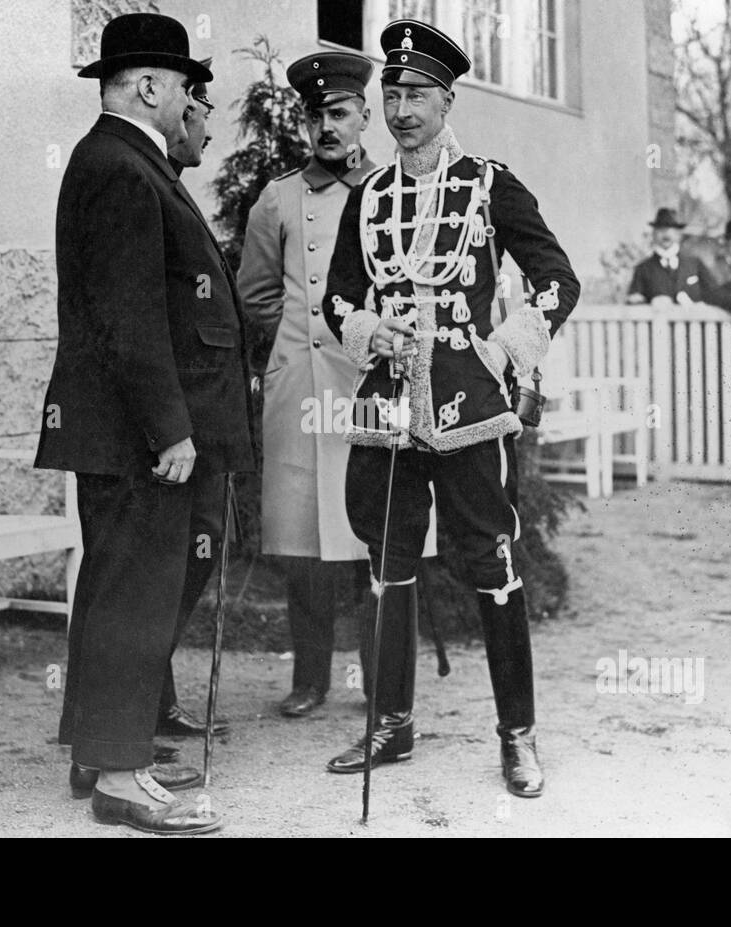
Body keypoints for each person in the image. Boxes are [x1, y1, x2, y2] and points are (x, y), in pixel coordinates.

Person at [321, 19, 580, 798]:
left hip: (468, 401)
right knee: (384, 558)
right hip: (388, 403)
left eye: (417, 95)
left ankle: (518, 736)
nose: (401, 109)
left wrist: (501, 352)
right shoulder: (366, 196)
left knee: (490, 559)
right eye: (391, 94)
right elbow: (336, 295)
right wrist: (368, 327)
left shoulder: (489, 183)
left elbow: (556, 279)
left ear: (448, 99)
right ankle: (393, 723)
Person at [34, 13, 253, 835]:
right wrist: (170, 429)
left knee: (118, 585)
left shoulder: (122, 162)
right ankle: (122, 777)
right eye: (185, 86)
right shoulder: (124, 169)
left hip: (121, 429)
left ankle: (100, 748)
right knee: (134, 592)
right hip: (135, 434)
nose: (191, 100)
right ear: (150, 86)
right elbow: (129, 318)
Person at [239, 51, 429, 718]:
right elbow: (257, 294)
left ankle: (382, 685)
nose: (327, 125)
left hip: (369, 388)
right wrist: (300, 342)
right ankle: (310, 678)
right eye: (315, 114)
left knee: (373, 531)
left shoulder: (390, 193)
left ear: (364, 117)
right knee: (304, 544)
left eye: (340, 112)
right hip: (301, 387)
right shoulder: (277, 197)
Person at [152, 61, 230, 744]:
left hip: (192, 412)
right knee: (168, 561)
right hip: (172, 420)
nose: (203, 129)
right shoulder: (145, 182)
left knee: (191, 551)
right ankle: (140, 697)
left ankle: (151, 692)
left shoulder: (173, 188)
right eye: (200, 111)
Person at [626, 208, 715, 305]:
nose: (666, 233)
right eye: (661, 229)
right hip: (659, 319)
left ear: (679, 234)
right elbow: (634, 304)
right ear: (653, 234)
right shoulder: (643, 269)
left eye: (671, 229)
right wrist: (652, 302)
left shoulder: (695, 264)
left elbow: (715, 294)